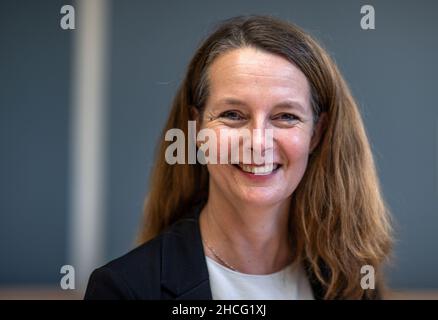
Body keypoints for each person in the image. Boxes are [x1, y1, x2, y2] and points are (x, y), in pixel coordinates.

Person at [84, 15, 392, 300]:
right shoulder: (125, 289)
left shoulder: (351, 281)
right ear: (196, 129)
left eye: (285, 116)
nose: (258, 143)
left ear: (316, 133)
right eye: (232, 115)